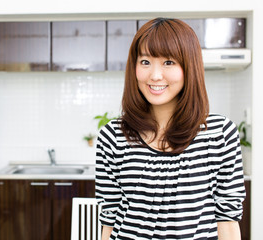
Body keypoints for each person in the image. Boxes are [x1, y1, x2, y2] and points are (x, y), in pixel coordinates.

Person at [95, 17, 246, 240]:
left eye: (168, 62)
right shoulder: (113, 136)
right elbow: (109, 218)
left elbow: (227, 219)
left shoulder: (219, 134)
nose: (155, 75)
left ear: (189, 66)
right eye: (145, 62)